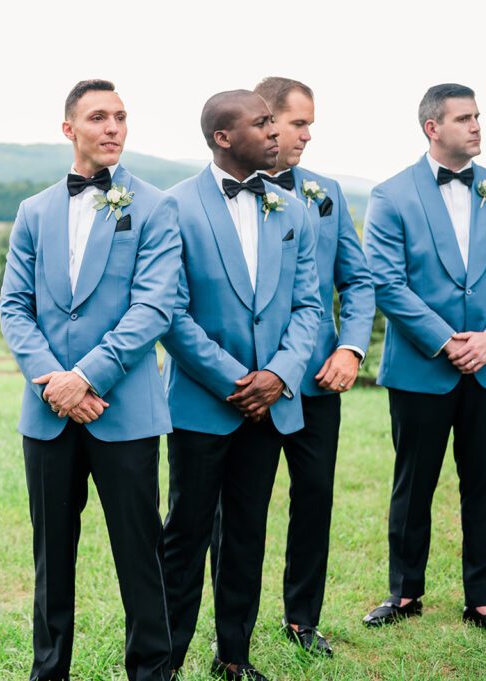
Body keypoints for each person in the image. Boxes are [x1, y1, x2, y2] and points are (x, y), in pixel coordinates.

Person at [0, 79, 181, 681]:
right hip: (48, 413)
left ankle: (151, 673)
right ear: (68, 129)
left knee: (141, 556)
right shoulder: (33, 211)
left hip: (123, 411)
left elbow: (153, 308)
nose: (113, 128)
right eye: (98, 117)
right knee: (53, 559)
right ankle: (48, 672)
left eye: (121, 117)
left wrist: (86, 377)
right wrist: (55, 381)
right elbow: (14, 309)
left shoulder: (155, 207)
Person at [160, 90, 321, 681]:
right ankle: (168, 659)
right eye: (262, 125)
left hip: (271, 406)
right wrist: (236, 380)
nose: (276, 134)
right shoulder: (173, 208)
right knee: (186, 535)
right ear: (224, 137)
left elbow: (309, 306)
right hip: (203, 404)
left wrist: (278, 374)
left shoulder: (292, 210)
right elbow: (170, 314)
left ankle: (234, 655)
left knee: (248, 534)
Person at [362, 83, 486, 637]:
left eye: (478, 116)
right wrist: (448, 340)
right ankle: (404, 593)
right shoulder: (390, 194)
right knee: (414, 484)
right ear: (433, 128)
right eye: (464, 118)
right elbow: (386, 281)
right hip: (422, 368)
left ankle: (484, 601)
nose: (477, 126)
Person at [255, 76, 375, 656]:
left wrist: (351, 348)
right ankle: (236, 627)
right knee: (238, 512)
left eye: (309, 124)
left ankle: (303, 620)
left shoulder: (326, 192)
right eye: (299, 123)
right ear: (265, 122)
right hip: (248, 387)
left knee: (315, 500)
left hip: (317, 384)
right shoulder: (231, 193)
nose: (307, 135)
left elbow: (356, 280)